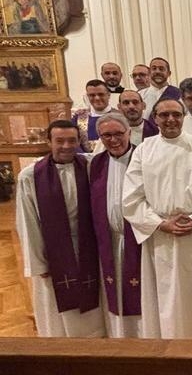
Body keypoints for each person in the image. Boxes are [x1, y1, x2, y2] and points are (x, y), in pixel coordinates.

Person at [122, 98, 192, 339]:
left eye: (176, 114)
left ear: (184, 117)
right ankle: (168, 345)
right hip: (160, 234)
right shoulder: (144, 149)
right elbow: (131, 197)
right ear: (155, 118)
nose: (171, 119)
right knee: (164, 295)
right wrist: (160, 223)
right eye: (164, 115)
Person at [17, 120, 106, 338]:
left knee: (93, 305)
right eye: (60, 141)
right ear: (49, 142)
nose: (66, 146)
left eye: (72, 141)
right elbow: (27, 222)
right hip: (53, 253)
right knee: (56, 304)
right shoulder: (30, 176)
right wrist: (38, 262)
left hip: (88, 247)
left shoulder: (89, 166)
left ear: (79, 142)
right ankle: (61, 344)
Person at [89, 112, 148, 338]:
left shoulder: (142, 159)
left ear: (129, 132)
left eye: (118, 134)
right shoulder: (96, 164)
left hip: (138, 238)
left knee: (141, 291)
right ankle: (120, 337)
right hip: (111, 240)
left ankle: (145, 336)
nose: (113, 140)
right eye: (106, 135)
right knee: (114, 290)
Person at [73, 79, 116, 152]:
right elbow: (73, 142)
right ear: (87, 96)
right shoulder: (78, 117)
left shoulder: (120, 116)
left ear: (108, 95)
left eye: (101, 94)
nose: (97, 98)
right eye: (92, 95)